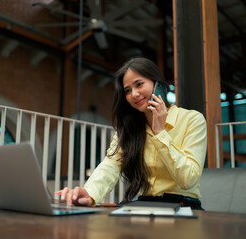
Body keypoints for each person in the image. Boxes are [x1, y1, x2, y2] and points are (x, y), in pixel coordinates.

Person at [56, 57, 207, 210]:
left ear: (158, 84)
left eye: (139, 84)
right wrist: (89, 193)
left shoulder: (192, 120)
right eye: (127, 90)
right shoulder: (130, 128)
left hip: (184, 207)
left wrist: (160, 133)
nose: (134, 94)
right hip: (145, 206)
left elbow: (188, 179)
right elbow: (111, 164)